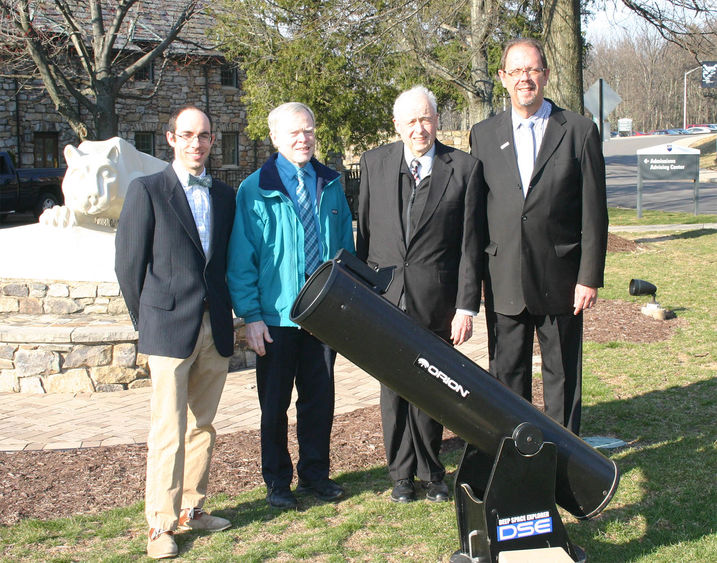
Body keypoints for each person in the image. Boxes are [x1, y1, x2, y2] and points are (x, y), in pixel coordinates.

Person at [469, 38, 608, 435]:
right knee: (507, 379)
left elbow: (594, 213)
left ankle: (564, 459)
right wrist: (474, 279)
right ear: (503, 78)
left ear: (545, 75)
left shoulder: (579, 131)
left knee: (561, 378)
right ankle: (515, 456)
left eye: (531, 70)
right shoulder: (482, 135)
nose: (524, 79)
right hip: (503, 279)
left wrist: (589, 277)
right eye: (515, 71)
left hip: (561, 279)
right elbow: (476, 213)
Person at [115, 106, 236, 559]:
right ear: (170, 139)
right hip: (167, 327)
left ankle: (192, 509)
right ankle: (160, 525)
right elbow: (128, 266)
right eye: (186, 135)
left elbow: (222, 263)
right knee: (168, 428)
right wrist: (145, 321)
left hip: (214, 326)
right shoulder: (147, 190)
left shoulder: (225, 195)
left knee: (202, 426)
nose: (196, 144)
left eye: (204, 135)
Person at [356, 86, 482, 503]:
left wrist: (466, 306)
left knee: (432, 386)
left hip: (438, 302)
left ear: (436, 120)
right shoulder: (374, 164)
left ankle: (433, 474)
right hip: (387, 300)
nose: (419, 128)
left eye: (425, 118)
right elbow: (366, 236)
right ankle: (401, 477)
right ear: (397, 125)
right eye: (410, 120)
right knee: (392, 389)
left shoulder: (463, 168)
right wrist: (362, 296)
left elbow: (469, 245)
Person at [227, 102, 355, 510]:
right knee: (275, 406)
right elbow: (240, 261)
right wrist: (251, 316)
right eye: (294, 133)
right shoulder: (254, 189)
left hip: (323, 317)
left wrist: (347, 305)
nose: (304, 138)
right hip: (276, 319)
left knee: (319, 402)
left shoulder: (331, 184)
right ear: (276, 138)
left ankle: (315, 475)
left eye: (309, 130)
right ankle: (278, 482)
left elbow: (345, 252)